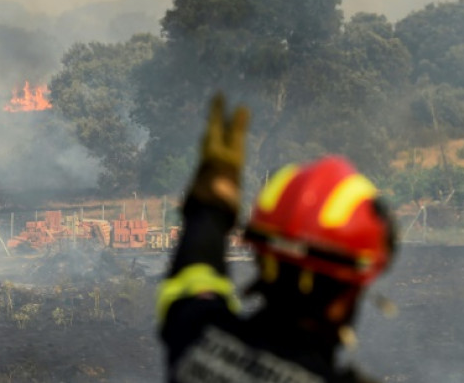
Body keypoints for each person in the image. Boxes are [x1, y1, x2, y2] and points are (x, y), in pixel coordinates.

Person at [158, 94, 397, 383]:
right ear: (348, 292)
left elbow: (192, 277)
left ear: (263, 260)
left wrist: (212, 204)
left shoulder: (196, 339)